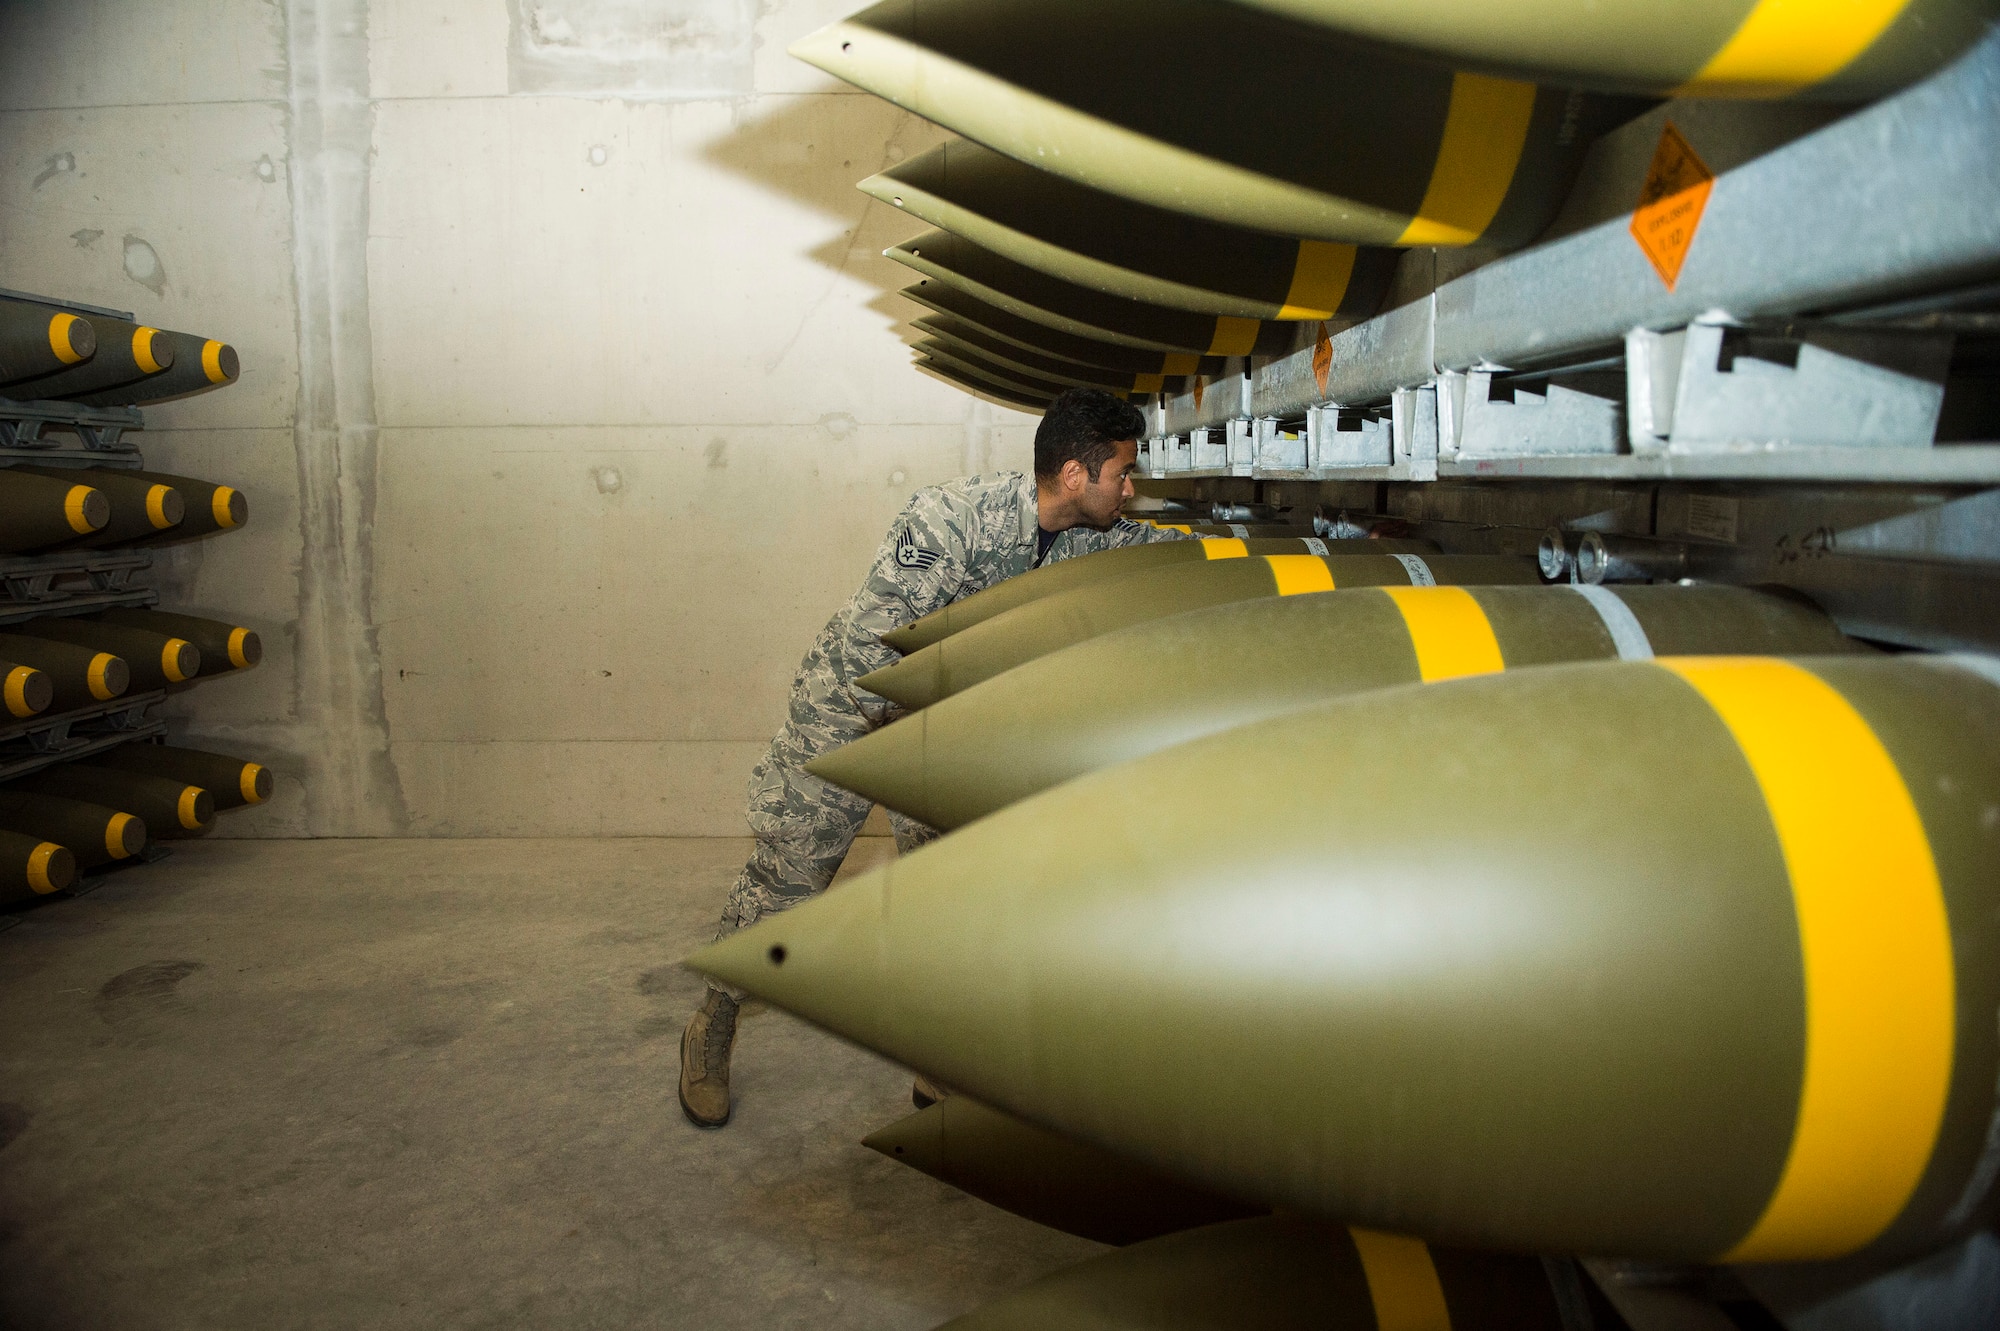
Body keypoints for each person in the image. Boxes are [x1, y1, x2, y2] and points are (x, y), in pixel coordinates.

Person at [680, 387, 1198, 1128]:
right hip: (852, 709)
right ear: (1078, 475)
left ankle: (936, 1061)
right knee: (790, 882)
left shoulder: (1096, 536)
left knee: (945, 896)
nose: (1132, 486)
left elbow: (1180, 558)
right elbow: (875, 647)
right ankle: (713, 1024)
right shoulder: (951, 519)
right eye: (1123, 471)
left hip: (941, 724)